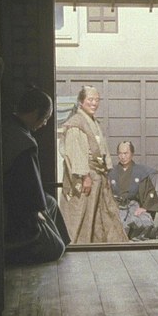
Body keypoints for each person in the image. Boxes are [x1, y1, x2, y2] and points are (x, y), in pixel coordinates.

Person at [2, 85, 70, 265]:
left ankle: (60, 241)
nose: (45, 123)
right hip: (13, 204)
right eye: (45, 118)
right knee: (55, 248)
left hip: (15, 196)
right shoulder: (22, 141)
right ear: (34, 113)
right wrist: (36, 211)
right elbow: (27, 183)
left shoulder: (12, 126)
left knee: (51, 202)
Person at [58, 85, 128, 244]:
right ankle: (79, 244)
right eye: (90, 99)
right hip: (85, 176)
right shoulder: (76, 123)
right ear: (81, 101)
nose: (94, 103)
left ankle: (97, 243)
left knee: (99, 212)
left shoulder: (93, 122)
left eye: (97, 100)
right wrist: (85, 176)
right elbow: (76, 153)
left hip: (97, 174)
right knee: (82, 212)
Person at [108, 140, 158, 240]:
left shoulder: (140, 172)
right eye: (120, 153)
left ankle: (131, 232)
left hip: (134, 207)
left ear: (132, 154)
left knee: (144, 222)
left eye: (126, 153)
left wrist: (144, 208)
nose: (123, 157)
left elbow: (149, 192)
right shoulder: (111, 172)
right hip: (116, 207)